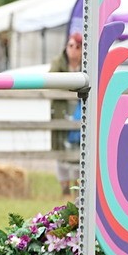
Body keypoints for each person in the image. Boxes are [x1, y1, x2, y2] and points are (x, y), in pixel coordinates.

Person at [49, 32, 83, 195]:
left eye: (77, 47)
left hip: (80, 111)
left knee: (79, 149)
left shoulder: (87, 64)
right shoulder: (58, 62)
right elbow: (50, 81)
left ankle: (78, 186)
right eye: (71, 46)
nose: (73, 50)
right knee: (60, 148)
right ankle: (64, 186)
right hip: (62, 111)